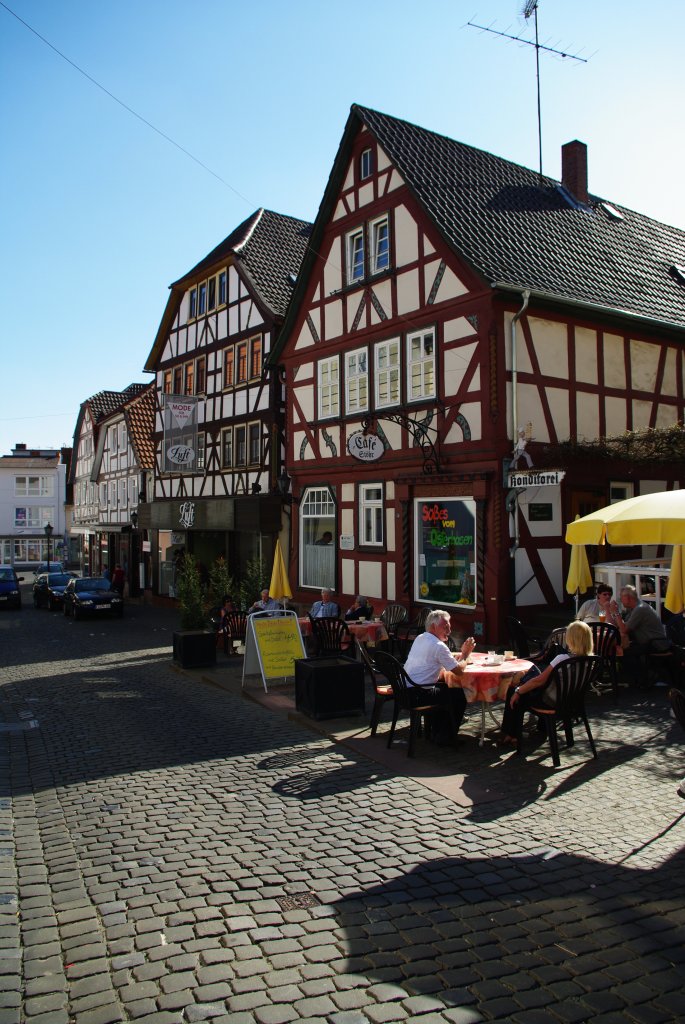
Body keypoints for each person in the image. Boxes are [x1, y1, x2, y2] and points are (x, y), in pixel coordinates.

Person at [499, 619, 594, 745]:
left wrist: (518, 691)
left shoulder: (562, 659)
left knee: (514, 691)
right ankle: (542, 727)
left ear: (571, 639)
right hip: (572, 702)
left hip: (552, 701)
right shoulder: (591, 661)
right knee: (530, 687)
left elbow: (539, 681)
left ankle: (511, 735)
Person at [402, 609, 476, 746]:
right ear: (433, 627)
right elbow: (459, 671)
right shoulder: (438, 645)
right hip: (418, 694)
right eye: (445, 626)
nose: (449, 630)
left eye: (449, 626)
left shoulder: (420, 638)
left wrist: (461, 654)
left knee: (445, 689)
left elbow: (448, 664)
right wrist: (465, 654)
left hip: (405, 690)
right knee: (459, 694)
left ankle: (437, 732)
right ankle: (446, 736)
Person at [614, 584, 671, 684]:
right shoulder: (634, 608)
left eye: (621, 598)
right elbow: (622, 626)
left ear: (628, 598)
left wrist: (616, 612)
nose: (620, 600)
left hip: (656, 644)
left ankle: (641, 679)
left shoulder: (640, 609)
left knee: (623, 652)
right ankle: (639, 677)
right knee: (623, 649)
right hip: (648, 642)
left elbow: (624, 630)